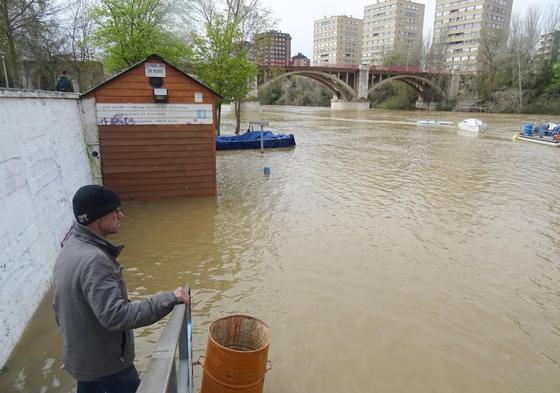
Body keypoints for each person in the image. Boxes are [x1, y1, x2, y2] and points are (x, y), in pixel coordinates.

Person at [53, 184, 189, 393]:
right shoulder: (95, 260)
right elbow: (116, 316)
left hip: (85, 363)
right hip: (108, 368)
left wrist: (75, 352)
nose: (122, 216)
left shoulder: (70, 248)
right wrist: (169, 298)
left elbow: (60, 307)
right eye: (115, 212)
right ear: (98, 219)